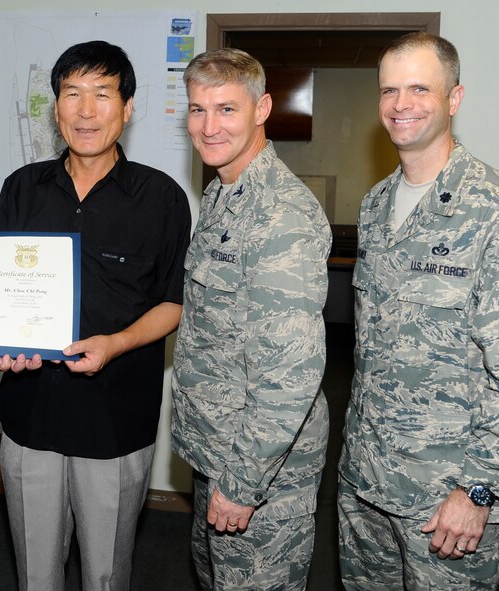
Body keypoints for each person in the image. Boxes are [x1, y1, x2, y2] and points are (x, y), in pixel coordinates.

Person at [338, 31, 499, 590]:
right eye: (389, 90)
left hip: (450, 503)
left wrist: (479, 490)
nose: (401, 104)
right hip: (367, 489)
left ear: (454, 99)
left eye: (420, 88)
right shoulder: (376, 205)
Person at [0, 40, 191, 590]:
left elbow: (174, 301)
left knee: (106, 574)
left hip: (115, 417)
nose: (85, 110)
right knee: (36, 572)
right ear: (55, 109)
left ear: (127, 109)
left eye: (102, 95)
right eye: (71, 94)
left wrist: (117, 343)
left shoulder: (162, 198)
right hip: (31, 412)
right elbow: (0, 288)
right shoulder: (22, 188)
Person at [171, 48, 332, 590]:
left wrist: (241, 484)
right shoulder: (222, 191)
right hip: (220, 450)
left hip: (262, 475)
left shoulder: (280, 216)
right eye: (197, 110)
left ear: (262, 108)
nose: (209, 126)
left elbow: (291, 375)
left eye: (226, 109)